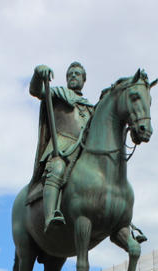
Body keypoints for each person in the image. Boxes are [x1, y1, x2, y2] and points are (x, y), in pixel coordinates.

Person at [28, 62, 95, 232]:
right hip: (63, 145)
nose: (73, 76)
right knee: (57, 167)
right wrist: (38, 74)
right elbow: (36, 91)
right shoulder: (58, 93)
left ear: (84, 80)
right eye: (70, 73)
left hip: (84, 150)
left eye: (77, 74)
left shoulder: (89, 107)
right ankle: (50, 216)